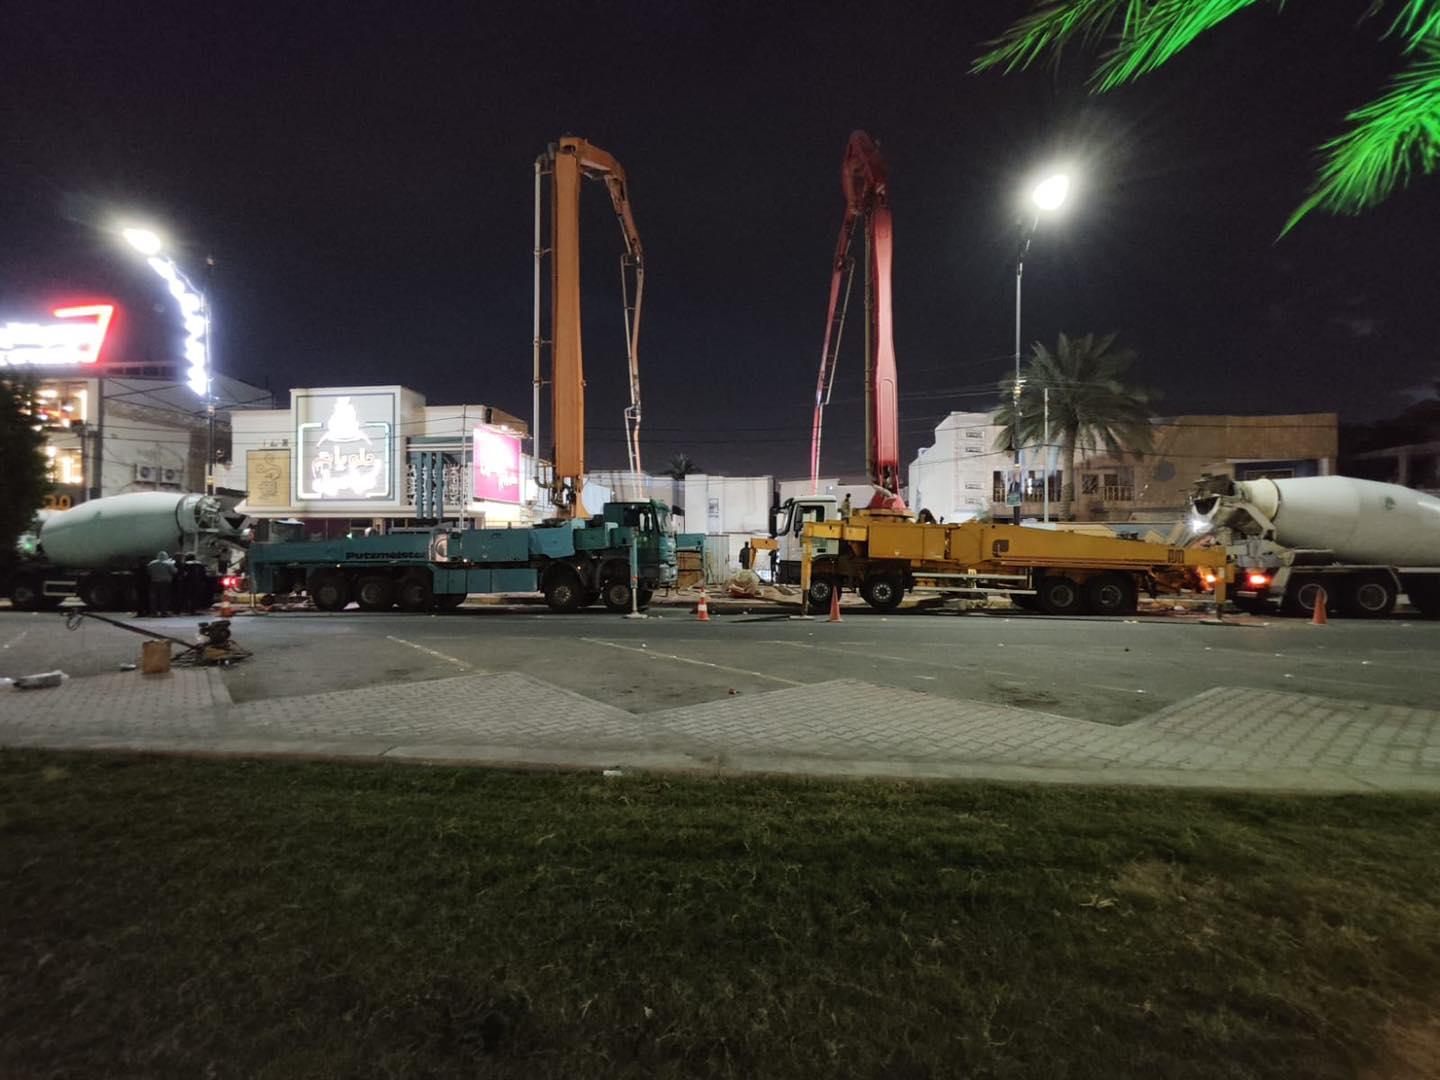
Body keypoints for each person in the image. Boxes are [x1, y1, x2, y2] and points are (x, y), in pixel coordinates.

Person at [146, 550, 177, 617]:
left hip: (154, 582)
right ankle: (164, 612)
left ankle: (154, 612)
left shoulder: (151, 563)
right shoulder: (168, 563)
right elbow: (174, 571)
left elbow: (148, 572)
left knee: (154, 598)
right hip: (165, 583)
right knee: (164, 598)